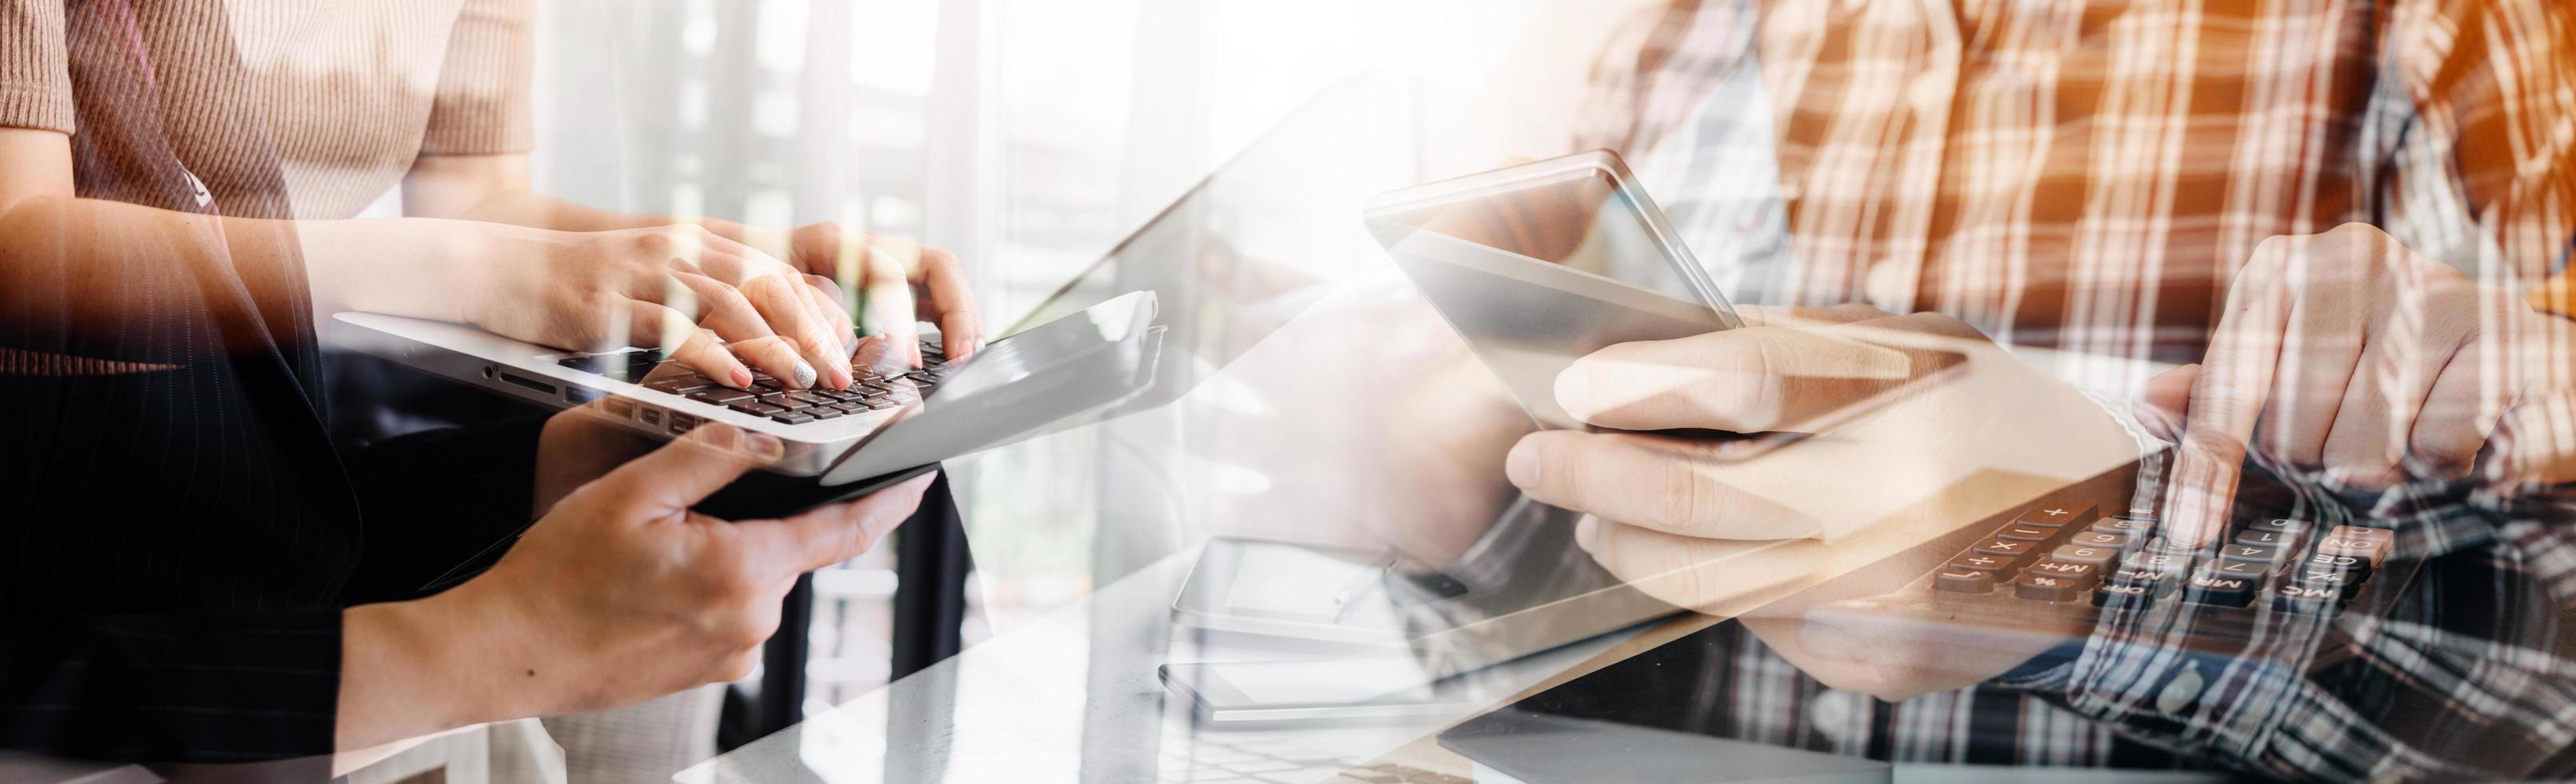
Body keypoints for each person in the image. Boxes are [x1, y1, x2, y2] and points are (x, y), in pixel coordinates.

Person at [1430, 0, 2576, 778]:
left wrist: (2087, 567)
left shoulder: (2442, 31)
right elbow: (1632, 554)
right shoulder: (1680, 34)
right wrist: (1471, 544)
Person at [0, 0, 977, 763]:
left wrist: (732, 258)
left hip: (276, 414)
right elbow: (17, 235)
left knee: (676, 521)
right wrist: (476, 269)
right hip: (91, 447)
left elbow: (477, 197)